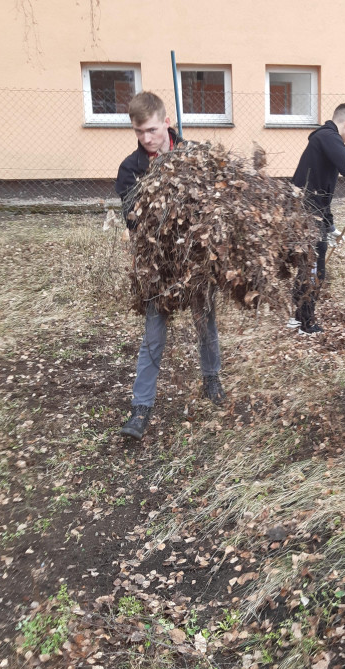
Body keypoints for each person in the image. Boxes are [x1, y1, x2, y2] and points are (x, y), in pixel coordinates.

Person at [115, 91, 224, 440]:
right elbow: (134, 221)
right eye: (139, 132)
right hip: (157, 265)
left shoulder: (194, 156)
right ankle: (141, 407)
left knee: (205, 320)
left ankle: (211, 378)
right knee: (153, 334)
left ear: (166, 122)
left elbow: (217, 203)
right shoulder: (130, 169)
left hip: (196, 260)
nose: (146, 138)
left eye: (151, 130)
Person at [290, 103, 345, 334]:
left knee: (309, 266)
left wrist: (331, 225)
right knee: (315, 269)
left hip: (311, 212)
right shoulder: (329, 137)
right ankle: (306, 324)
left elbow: (321, 191)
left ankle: (297, 318)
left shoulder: (324, 139)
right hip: (308, 214)